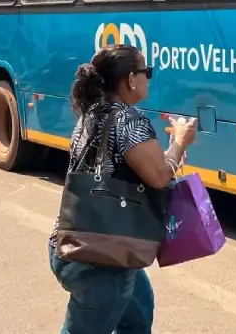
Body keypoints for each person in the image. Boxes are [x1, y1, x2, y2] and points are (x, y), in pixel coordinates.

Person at [48, 44, 198, 333]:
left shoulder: (91, 114)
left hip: (76, 242)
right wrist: (180, 142)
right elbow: (159, 177)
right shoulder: (129, 120)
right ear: (130, 79)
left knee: (139, 310)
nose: (148, 78)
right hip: (100, 257)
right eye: (146, 72)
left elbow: (131, 166)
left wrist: (171, 153)